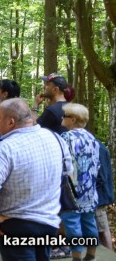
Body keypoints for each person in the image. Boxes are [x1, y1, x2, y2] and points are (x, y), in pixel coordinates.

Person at [0, 98, 71, 261]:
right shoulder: (56, 139)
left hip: (17, 225)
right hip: (49, 223)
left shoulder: (7, 147)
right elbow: (69, 173)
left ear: (11, 122)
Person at [60, 103, 100, 261]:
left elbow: (62, 164)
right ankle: (91, 256)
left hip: (72, 190)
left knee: (72, 224)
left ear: (73, 119)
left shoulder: (66, 138)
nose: (62, 118)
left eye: (65, 116)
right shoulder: (91, 137)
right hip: (90, 189)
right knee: (89, 222)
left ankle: (76, 257)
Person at [95, 139, 114, 250]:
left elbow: (101, 176)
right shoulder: (97, 145)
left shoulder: (97, 147)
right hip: (100, 194)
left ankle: (110, 256)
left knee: (103, 228)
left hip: (99, 196)